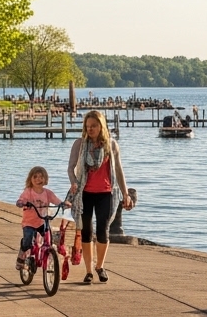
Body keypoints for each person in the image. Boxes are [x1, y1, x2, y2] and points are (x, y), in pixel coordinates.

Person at [68, 110, 132, 285]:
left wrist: (125, 194)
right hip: (84, 193)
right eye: (87, 126)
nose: (90, 129)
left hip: (106, 193)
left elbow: (118, 170)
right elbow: (71, 167)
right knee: (86, 232)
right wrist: (73, 182)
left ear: (101, 126)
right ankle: (88, 270)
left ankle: (100, 266)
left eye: (94, 126)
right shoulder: (79, 145)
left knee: (103, 231)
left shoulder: (111, 145)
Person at [15, 166, 69, 270]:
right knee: (27, 241)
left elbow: (56, 200)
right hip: (29, 222)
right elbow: (21, 200)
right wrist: (21, 203)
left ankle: (49, 252)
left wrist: (63, 204)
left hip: (41, 221)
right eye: (35, 177)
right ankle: (21, 257)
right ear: (30, 179)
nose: (38, 179)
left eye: (41, 177)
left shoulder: (47, 193)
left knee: (50, 235)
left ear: (45, 179)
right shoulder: (28, 192)